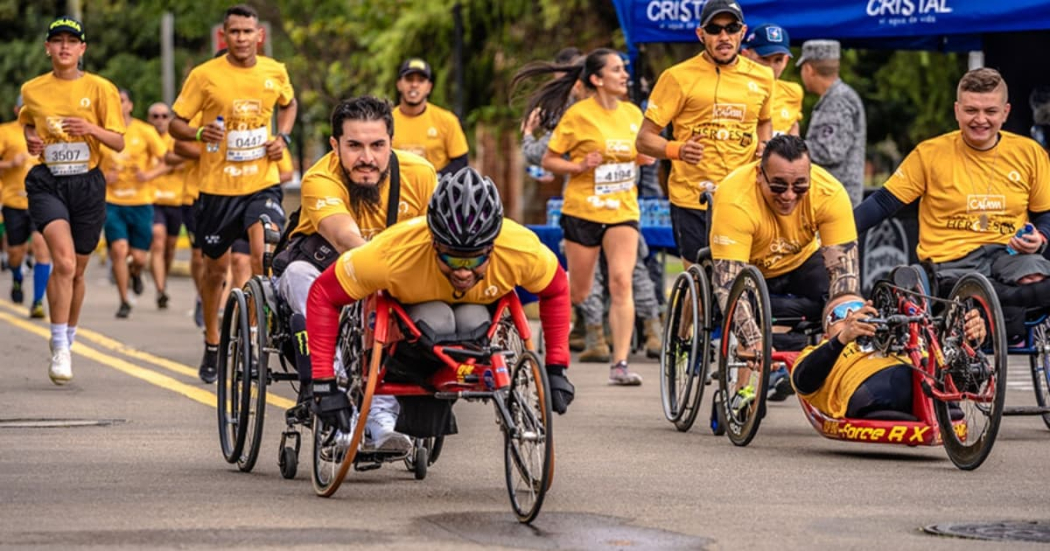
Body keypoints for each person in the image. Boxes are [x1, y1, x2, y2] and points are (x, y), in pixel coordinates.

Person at [305, 167, 574, 439]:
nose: (463, 272)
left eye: (475, 261)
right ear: (434, 242)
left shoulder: (521, 249)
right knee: (439, 317)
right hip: (412, 332)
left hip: (477, 322)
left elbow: (557, 290)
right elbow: (323, 295)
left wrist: (556, 368)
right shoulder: (390, 252)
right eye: (453, 259)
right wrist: (324, 384)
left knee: (470, 318)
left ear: (492, 247)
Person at [275, 96, 438, 451]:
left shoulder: (421, 175)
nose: (367, 157)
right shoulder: (320, 176)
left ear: (391, 143)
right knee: (300, 276)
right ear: (335, 146)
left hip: (392, 279)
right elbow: (343, 234)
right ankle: (336, 399)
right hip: (326, 266)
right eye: (355, 146)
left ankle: (383, 415)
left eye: (378, 145)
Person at [854, 67, 1050, 340]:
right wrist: (840, 232)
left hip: (1009, 256)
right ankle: (996, 309)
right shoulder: (930, 153)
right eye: (971, 111)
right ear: (957, 110)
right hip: (951, 263)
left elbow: (1045, 214)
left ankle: (995, 309)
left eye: (990, 111)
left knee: (1036, 276)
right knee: (969, 291)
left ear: (1005, 112)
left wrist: (1040, 237)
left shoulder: (1029, 153)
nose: (980, 119)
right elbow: (883, 202)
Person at [168, 4, 297, 383]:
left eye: (248, 32)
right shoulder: (205, 75)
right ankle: (212, 341)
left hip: (262, 183)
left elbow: (288, 105)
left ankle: (254, 338)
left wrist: (282, 137)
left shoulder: (275, 72)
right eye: (235, 32)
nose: (242, 38)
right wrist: (197, 133)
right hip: (217, 189)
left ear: (260, 35)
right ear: (225, 37)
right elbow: (177, 125)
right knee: (216, 271)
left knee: (263, 257)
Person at [512, 48, 653, 385]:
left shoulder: (633, 113)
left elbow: (644, 152)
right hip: (582, 210)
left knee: (621, 281)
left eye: (624, 69)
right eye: (617, 70)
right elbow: (548, 160)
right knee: (578, 291)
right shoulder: (576, 117)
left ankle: (619, 364)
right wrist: (578, 166)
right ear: (596, 78)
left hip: (623, 210)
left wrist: (644, 159)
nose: (624, 75)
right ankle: (555, 333)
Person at [710, 135, 859, 411]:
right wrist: (753, 340)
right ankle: (745, 384)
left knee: (833, 295)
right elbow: (729, 283)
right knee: (742, 299)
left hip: (799, 262)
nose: (789, 196)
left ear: (810, 176)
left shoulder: (830, 193)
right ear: (759, 174)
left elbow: (845, 278)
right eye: (778, 186)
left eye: (799, 187)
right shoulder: (735, 198)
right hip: (749, 271)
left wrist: (842, 329)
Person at [19, 16, 126, 383]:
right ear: (48, 48)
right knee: (62, 262)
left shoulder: (100, 88)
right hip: (48, 182)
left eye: (72, 41)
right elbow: (27, 120)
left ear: (82, 49)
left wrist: (90, 128)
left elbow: (118, 140)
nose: (64, 47)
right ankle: (59, 346)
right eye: (57, 41)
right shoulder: (33, 88)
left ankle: (69, 335)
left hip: (87, 183)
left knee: (78, 269)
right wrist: (31, 139)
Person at [635, 0, 774, 267]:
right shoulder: (677, 77)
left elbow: (764, 120)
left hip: (742, 195)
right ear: (701, 35)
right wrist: (678, 149)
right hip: (693, 198)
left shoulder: (762, 77)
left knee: (741, 276)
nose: (724, 36)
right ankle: (690, 308)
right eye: (714, 29)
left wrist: (764, 144)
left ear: (742, 32)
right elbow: (643, 139)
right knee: (699, 281)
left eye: (731, 28)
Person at [793, 291, 986, 420]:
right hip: (869, 390)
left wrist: (969, 340)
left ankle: (969, 356)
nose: (852, 316)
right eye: (840, 314)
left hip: (922, 371)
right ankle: (938, 398)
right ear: (826, 333)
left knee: (945, 363)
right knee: (911, 375)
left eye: (860, 309)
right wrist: (843, 338)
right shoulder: (820, 349)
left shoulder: (901, 335)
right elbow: (803, 381)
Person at [100, 89, 169, 318]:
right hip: (113, 201)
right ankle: (124, 300)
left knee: (139, 257)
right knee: (118, 250)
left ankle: (137, 273)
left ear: (130, 105)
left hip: (141, 201)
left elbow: (166, 160)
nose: (118, 106)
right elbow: (90, 166)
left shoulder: (145, 131)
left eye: (122, 101)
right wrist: (102, 178)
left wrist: (149, 175)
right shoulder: (102, 133)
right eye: (114, 102)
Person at [798, 39, 866, 208]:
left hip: (834, 203)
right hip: (832, 199)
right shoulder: (837, 97)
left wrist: (792, 146)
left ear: (808, 69)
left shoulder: (839, 100)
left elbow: (829, 151)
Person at [0, 96, 51, 318]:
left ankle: (38, 301)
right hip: (14, 201)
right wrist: (10, 164)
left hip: (41, 201)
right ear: (17, 109)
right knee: (15, 253)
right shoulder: (5, 131)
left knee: (41, 248)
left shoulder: (49, 131)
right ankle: (17, 278)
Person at [391, 58, 469, 177]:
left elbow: (461, 161)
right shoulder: (385, 121)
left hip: (437, 191)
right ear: (399, 84)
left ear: (429, 87)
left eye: (421, 80)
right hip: (396, 191)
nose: (414, 85)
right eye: (409, 79)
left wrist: (436, 180)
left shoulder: (447, 120)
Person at [147, 101, 185, 310]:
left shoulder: (177, 138)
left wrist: (167, 164)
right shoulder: (144, 137)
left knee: (170, 248)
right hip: (153, 199)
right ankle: (161, 290)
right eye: (155, 116)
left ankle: (164, 279)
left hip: (177, 200)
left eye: (164, 116)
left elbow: (185, 159)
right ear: (149, 119)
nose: (160, 120)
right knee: (158, 241)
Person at [741, 23, 803, 137]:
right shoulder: (729, 89)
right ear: (745, 56)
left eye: (778, 60)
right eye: (764, 59)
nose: (770, 67)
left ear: (786, 61)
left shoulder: (793, 93)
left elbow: (794, 132)